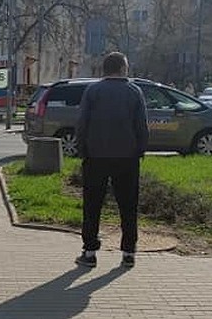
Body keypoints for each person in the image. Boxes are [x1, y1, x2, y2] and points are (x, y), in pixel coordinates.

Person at [75, 51, 149, 269]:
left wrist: (83, 150)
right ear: (123, 68)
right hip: (127, 157)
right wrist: (139, 151)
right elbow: (142, 127)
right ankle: (128, 252)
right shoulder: (134, 92)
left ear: (105, 69)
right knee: (128, 206)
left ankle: (89, 252)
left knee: (92, 205)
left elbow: (82, 124)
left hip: (96, 156)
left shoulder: (93, 91)